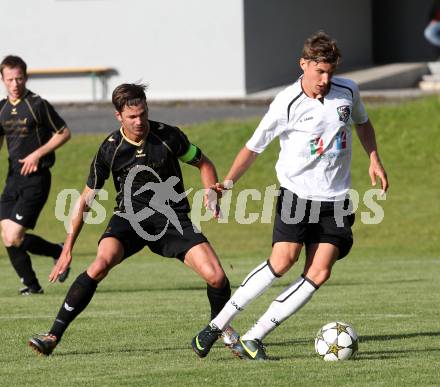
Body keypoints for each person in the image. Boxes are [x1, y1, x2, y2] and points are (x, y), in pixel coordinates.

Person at [192, 31, 389, 360]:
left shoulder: (348, 91)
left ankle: (254, 336)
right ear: (304, 65)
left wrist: (374, 158)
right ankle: (217, 324)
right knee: (282, 261)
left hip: (336, 201)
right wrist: (226, 183)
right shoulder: (286, 102)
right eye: (319, 71)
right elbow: (253, 148)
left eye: (330, 72)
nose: (325, 79)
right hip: (297, 195)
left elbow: (363, 124)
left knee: (319, 272)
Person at [28, 83, 236, 356]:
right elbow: (85, 200)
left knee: (217, 277)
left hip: (172, 219)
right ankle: (52, 335)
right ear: (119, 116)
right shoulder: (110, 149)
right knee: (100, 264)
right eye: (132, 117)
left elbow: (204, 163)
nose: (140, 122)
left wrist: (210, 191)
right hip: (129, 219)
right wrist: (67, 249)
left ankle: (219, 329)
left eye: (143, 114)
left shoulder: (167, 137)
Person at [0, 55, 72, 295]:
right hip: (13, 179)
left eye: (19, 78)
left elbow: (63, 133)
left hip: (36, 179)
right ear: (2, 79)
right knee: (7, 236)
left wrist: (36, 154)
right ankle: (31, 285)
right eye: (10, 79)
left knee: (14, 234)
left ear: (26, 77)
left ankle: (58, 251)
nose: (15, 84)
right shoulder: (1, 109)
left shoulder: (37, 105)